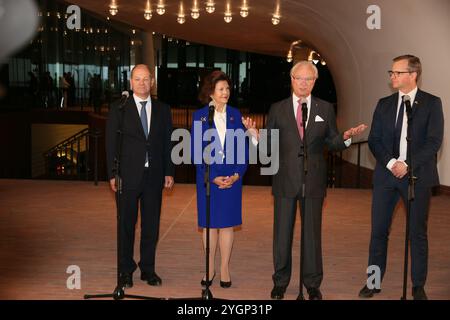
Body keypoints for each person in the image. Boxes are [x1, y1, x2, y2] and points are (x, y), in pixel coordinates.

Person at [243, 61, 367, 300]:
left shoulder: (325, 108)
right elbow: (270, 146)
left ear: (314, 82)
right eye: (299, 78)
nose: (303, 83)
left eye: (308, 79)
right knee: (282, 235)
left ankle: (312, 284)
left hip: (314, 181)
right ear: (291, 79)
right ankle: (280, 282)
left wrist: (346, 138)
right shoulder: (277, 109)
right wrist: (255, 136)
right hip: (285, 180)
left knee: (312, 235)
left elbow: (331, 141)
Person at [359, 55, 444, 300]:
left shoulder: (431, 103)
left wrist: (407, 164)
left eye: (397, 72)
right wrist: (391, 163)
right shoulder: (384, 104)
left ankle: (418, 285)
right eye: (392, 72)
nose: (392, 76)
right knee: (378, 232)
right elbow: (374, 139)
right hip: (386, 176)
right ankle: (373, 282)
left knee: (417, 232)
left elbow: (434, 141)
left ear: (413, 75)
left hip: (417, 176)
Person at [106, 64, 174, 288]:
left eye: (146, 79)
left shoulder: (164, 109)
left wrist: (169, 171)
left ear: (152, 82)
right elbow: (111, 144)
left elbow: (167, 143)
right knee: (126, 225)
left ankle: (148, 269)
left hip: (154, 175)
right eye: (137, 79)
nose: (142, 83)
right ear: (131, 82)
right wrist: (113, 174)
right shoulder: (119, 108)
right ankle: (125, 270)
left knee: (151, 226)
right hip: (127, 176)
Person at [191, 70, 248, 288]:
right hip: (208, 179)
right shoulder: (201, 116)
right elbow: (197, 152)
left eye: (227, 88)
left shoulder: (236, 114)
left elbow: (243, 149)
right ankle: (209, 268)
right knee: (208, 225)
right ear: (211, 92)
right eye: (221, 89)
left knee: (226, 226)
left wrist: (236, 174)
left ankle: (224, 268)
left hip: (232, 177)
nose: (226, 92)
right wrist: (212, 177)